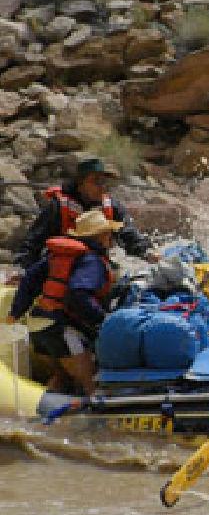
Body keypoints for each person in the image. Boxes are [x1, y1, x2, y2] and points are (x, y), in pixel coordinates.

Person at [4, 210, 121, 396]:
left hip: (37, 326)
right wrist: (102, 320)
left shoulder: (58, 256)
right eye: (109, 234)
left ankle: (41, 420)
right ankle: (95, 421)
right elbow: (77, 293)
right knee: (89, 383)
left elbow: (29, 280)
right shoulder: (92, 261)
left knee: (62, 378)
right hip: (61, 329)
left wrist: (15, 313)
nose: (112, 239)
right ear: (102, 236)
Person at [13, 157, 158, 271]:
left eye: (104, 182)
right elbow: (33, 242)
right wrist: (21, 268)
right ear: (80, 184)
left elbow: (128, 233)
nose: (102, 187)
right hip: (62, 267)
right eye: (96, 181)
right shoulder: (58, 207)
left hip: (94, 267)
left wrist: (146, 252)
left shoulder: (111, 206)